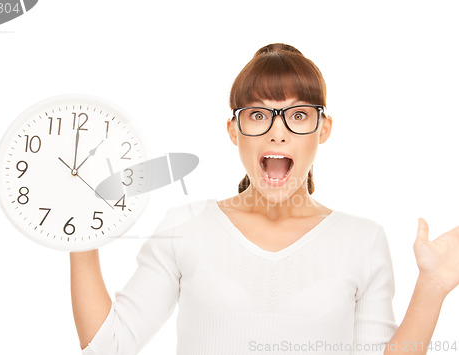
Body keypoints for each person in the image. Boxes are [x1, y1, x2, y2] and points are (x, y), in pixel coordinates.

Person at [70, 43, 459, 355]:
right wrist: (77, 233)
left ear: (322, 129)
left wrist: (433, 286)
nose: (278, 133)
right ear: (233, 130)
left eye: (298, 115)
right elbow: (109, 346)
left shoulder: (363, 240)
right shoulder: (184, 228)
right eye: (258, 115)